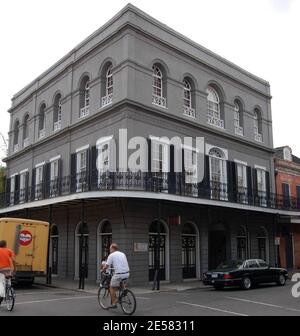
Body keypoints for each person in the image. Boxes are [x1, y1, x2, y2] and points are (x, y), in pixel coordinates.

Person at [103, 243, 130, 308]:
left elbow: (106, 265)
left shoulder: (111, 255)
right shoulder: (122, 254)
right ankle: (123, 291)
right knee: (121, 281)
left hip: (119, 274)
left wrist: (102, 270)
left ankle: (114, 303)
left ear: (112, 248)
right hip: (127, 273)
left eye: (110, 249)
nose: (109, 250)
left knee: (111, 287)